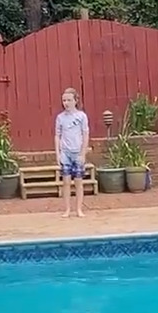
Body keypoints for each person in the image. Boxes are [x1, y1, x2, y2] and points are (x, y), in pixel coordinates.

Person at [55, 88, 90, 218]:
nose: (66, 103)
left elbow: (85, 134)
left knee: (79, 182)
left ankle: (79, 209)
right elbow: (57, 135)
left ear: (75, 100)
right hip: (65, 153)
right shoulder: (60, 118)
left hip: (77, 153)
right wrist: (58, 154)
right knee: (66, 182)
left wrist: (83, 153)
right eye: (64, 100)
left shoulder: (81, 116)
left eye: (69, 100)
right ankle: (67, 209)